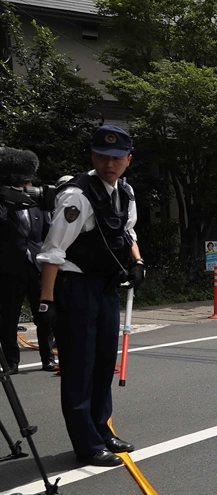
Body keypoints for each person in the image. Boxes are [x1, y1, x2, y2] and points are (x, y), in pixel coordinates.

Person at [36, 125, 144, 468]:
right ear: (92, 156)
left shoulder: (124, 192)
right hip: (76, 286)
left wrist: (137, 261)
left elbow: (126, 232)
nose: (108, 163)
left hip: (106, 287)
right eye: (101, 156)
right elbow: (53, 251)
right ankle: (86, 444)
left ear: (128, 159)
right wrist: (46, 302)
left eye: (115, 158)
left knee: (102, 364)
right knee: (79, 366)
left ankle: (102, 429)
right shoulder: (77, 196)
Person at [0, 148, 56, 373]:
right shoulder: (3, 202)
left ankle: (48, 357)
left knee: (43, 314)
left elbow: (47, 233)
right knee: (8, 317)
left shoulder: (37, 202)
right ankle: (12, 362)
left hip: (37, 265)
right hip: (9, 267)